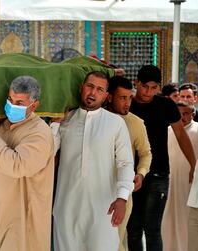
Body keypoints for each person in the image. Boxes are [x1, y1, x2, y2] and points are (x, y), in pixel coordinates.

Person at [53, 71, 134, 251]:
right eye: (90, 86)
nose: (93, 93)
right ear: (82, 87)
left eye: (99, 89)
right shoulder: (65, 120)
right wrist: (55, 123)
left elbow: (125, 163)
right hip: (67, 207)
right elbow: (47, 153)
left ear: (106, 96)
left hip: (103, 208)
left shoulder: (115, 123)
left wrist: (122, 198)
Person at [0, 76, 55, 251]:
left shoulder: (39, 132)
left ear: (34, 106)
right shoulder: (1, 126)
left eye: (19, 102)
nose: (12, 105)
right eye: (10, 100)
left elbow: (18, 166)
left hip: (23, 217)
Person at [127, 65, 196, 251]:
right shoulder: (127, 104)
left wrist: (193, 164)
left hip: (158, 174)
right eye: (144, 87)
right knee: (132, 228)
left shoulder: (165, 105)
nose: (148, 92)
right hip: (130, 175)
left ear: (158, 87)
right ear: (137, 83)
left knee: (152, 228)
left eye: (153, 88)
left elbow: (181, 135)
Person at [106, 76, 152, 251]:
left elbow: (146, 154)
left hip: (122, 192)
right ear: (109, 97)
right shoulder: (95, 119)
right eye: (122, 98)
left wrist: (140, 173)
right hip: (95, 190)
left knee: (115, 241)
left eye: (129, 98)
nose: (127, 103)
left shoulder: (135, 123)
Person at [161, 102, 198, 251]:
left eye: (186, 113)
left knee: (186, 219)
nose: (182, 117)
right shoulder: (168, 130)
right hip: (170, 182)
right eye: (179, 114)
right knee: (167, 219)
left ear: (192, 114)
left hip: (189, 184)